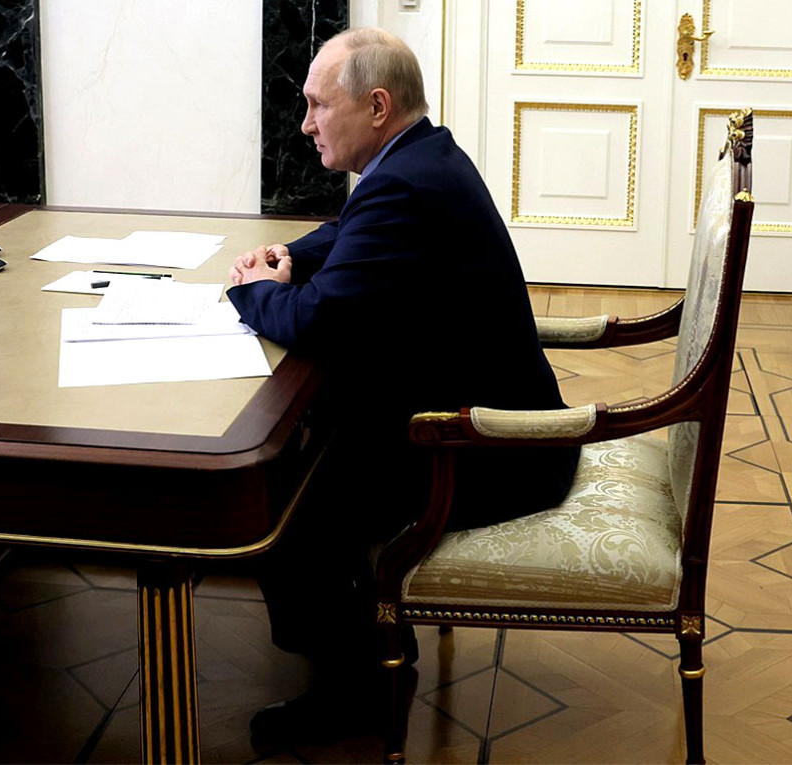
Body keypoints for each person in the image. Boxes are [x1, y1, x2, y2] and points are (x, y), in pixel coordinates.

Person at [227, 27, 580, 745]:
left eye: (318, 105)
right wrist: (288, 254)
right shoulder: (422, 157)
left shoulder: (405, 183)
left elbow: (321, 321)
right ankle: (374, 641)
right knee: (308, 452)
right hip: (470, 416)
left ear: (377, 106)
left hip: (494, 449)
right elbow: (350, 232)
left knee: (284, 508)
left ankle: (359, 693)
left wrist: (252, 290)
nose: (305, 124)